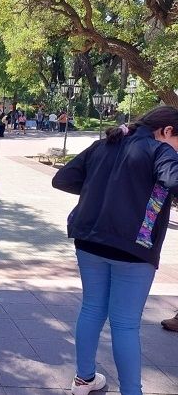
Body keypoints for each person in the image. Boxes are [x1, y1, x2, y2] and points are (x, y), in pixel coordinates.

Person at [52, 106, 178, 395]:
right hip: (133, 247)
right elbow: (173, 179)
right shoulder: (160, 150)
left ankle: (83, 379)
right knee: (124, 324)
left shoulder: (104, 144)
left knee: (92, 308)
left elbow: (63, 178)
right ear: (168, 131)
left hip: (89, 238)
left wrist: (102, 189)